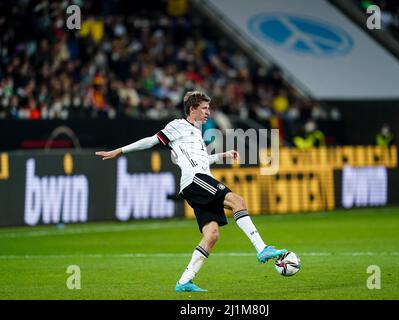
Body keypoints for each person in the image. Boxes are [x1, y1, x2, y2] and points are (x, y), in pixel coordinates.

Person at [95, 90, 287, 292]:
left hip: (196, 183)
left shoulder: (197, 133)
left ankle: (184, 281)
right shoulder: (178, 126)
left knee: (212, 235)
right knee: (237, 201)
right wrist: (119, 150)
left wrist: (223, 155)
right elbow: (151, 140)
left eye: (208, 108)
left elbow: (202, 160)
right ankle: (262, 248)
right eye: (204, 108)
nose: (208, 112)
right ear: (192, 109)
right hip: (196, 180)